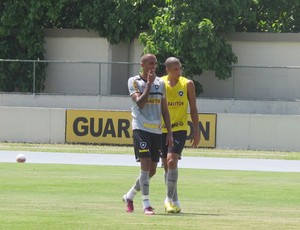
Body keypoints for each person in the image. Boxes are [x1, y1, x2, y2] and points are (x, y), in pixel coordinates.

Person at [123, 53, 173, 215]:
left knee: (152, 170)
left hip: (156, 130)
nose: (153, 66)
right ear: (142, 65)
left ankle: (129, 196)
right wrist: (149, 85)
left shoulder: (161, 83)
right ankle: (146, 204)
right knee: (144, 166)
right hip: (141, 128)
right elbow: (140, 103)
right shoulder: (134, 81)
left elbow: (164, 110)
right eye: (150, 63)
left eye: (155, 63)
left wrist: (169, 132)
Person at [161, 57, 200, 213]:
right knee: (166, 167)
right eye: (175, 69)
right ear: (168, 70)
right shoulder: (160, 83)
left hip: (179, 129)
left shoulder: (187, 84)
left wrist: (196, 130)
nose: (179, 71)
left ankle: (168, 199)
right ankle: (175, 200)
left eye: (180, 68)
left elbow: (194, 108)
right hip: (162, 129)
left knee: (171, 161)